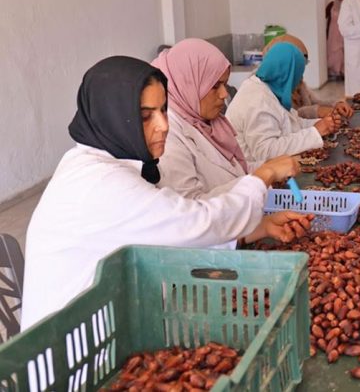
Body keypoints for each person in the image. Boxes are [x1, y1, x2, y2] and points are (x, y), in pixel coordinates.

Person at [21, 56, 312, 329]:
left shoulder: (95, 162)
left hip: (107, 320)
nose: (163, 126)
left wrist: (252, 230)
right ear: (111, 117)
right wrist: (263, 177)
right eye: (145, 116)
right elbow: (195, 222)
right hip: (73, 359)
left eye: (163, 110)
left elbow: (165, 233)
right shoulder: (100, 184)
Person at [152, 39, 306, 199]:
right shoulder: (167, 137)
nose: (224, 94)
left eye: (225, 84)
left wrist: (271, 167)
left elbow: (236, 170)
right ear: (188, 84)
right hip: (222, 221)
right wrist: (265, 174)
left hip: (238, 213)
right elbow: (190, 210)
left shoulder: (207, 123)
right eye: (215, 86)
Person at [227, 43, 342, 162]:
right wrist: (315, 132)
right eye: (297, 76)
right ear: (288, 75)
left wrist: (323, 124)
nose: (298, 82)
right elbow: (266, 152)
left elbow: (291, 123)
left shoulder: (270, 87)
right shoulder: (257, 101)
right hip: (253, 173)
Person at [262, 34, 354, 120]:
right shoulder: (266, 91)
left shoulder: (298, 83)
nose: (301, 72)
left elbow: (316, 101)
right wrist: (316, 111)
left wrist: (337, 104)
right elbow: (289, 119)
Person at [326, 0, 347, 79]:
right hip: (332, 30)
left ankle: (341, 71)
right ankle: (333, 71)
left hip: (342, 31)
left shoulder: (347, 5)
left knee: (341, 50)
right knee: (332, 50)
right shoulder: (331, 4)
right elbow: (324, 15)